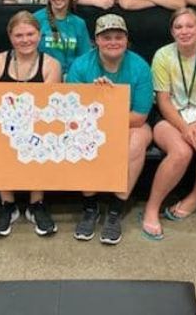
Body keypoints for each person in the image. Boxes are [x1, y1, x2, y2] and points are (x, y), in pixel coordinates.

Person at [66, 14, 154, 245]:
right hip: (90, 124)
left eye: (118, 36)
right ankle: (90, 206)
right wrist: (98, 99)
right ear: (96, 40)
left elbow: (140, 115)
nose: (113, 42)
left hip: (130, 124)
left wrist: (111, 105)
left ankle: (116, 209)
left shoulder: (140, 66)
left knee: (136, 141)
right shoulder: (81, 65)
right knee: (83, 137)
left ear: (126, 39)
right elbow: (72, 110)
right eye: (106, 37)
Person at [142, 8, 196, 240]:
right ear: (172, 32)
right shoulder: (163, 55)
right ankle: (152, 208)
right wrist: (185, 129)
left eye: (190, 26)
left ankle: (195, 197)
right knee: (181, 152)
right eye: (178, 27)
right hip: (169, 116)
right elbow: (163, 100)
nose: (184, 31)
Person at [0, 11, 62, 237]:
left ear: (39, 35)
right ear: (10, 37)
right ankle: (7, 204)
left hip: (37, 123)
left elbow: (49, 109)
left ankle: (36, 203)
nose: (25, 40)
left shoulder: (51, 65)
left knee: (42, 137)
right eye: (19, 35)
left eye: (30, 34)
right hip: (3, 126)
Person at [34, 0, 92, 75]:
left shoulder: (79, 23)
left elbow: (85, 58)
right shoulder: (35, 19)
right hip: (42, 78)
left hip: (71, 79)